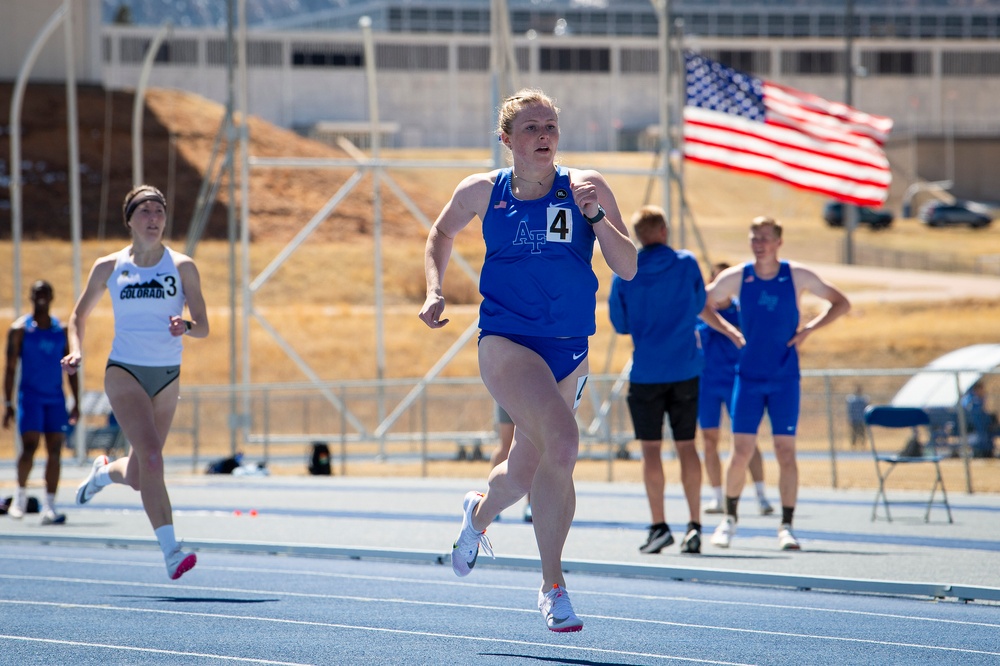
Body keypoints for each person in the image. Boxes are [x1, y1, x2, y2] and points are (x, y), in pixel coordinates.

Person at [418, 89, 636, 632]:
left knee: (525, 468)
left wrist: (596, 216)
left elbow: (628, 267)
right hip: (507, 341)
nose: (543, 136)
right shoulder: (481, 191)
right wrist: (433, 289)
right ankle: (552, 586)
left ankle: (478, 515)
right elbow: (441, 232)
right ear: (507, 139)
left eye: (551, 127)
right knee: (564, 443)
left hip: (569, 349)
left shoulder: (587, 187)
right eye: (532, 127)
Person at [61, 184, 209, 580]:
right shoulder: (109, 267)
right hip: (124, 371)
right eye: (145, 211)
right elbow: (78, 317)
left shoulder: (182, 267)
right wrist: (76, 351)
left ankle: (104, 473)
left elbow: (204, 326)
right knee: (154, 458)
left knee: (142, 474)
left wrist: (186, 326)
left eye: (159, 211)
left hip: (167, 376)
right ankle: (172, 552)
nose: (154, 218)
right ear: (129, 219)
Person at [705, 216, 850, 551]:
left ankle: (786, 526)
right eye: (754, 237)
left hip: (785, 377)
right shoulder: (739, 276)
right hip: (748, 376)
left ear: (779, 242)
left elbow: (841, 302)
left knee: (786, 451)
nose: (759, 243)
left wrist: (810, 329)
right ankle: (728, 519)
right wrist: (728, 330)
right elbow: (701, 302)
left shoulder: (795, 274)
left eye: (766, 237)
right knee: (741, 450)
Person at [608, 205, 711, 555]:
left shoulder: (625, 271)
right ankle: (695, 525)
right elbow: (699, 302)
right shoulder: (686, 263)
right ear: (664, 230)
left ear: (638, 236)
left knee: (650, 450)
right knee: (687, 446)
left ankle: (659, 525)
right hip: (685, 368)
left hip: (647, 371)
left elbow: (620, 324)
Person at [697, 263, 773, 517]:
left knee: (746, 440)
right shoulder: (700, 312)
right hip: (707, 384)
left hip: (736, 382)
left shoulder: (742, 311)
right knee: (709, 441)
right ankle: (717, 496)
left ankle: (761, 495)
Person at [3, 280, 80, 524]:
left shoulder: (61, 330)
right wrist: (8, 402)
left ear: (52, 296)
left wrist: (76, 400)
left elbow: (71, 369)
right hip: (31, 398)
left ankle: (49, 506)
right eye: (37, 293)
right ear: (30, 296)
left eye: (45, 292)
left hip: (55, 399)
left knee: (55, 451)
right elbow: (10, 368)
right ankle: (20, 497)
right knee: (29, 448)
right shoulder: (20, 330)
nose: (41, 297)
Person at [489, 403, 531, 522]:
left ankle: (531, 504)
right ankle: (492, 500)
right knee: (505, 446)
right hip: (509, 390)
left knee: (533, 447)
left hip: (533, 394)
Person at [962, 382, 996, 458]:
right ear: (976, 390)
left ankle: (987, 451)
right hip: (973, 428)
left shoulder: (981, 400)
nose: (983, 392)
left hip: (983, 428)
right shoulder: (971, 400)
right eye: (981, 390)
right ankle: (981, 451)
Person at [845, 384, 870, 450]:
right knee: (853, 434)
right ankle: (853, 446)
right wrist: (850, 418)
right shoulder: (851, 399)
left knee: (862, 433)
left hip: (861, 419)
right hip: (854, 419)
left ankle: (862, 445)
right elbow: (849, 410)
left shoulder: (864, 399)